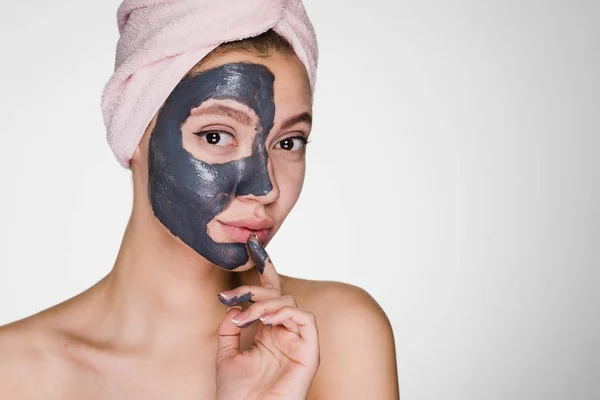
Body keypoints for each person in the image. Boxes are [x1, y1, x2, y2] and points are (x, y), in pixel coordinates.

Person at [0, 1, 399, 398]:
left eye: (288, 142)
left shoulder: (337, 332)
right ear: (133, 133)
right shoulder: (14, 371)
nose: (267, 188)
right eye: (215, 136)